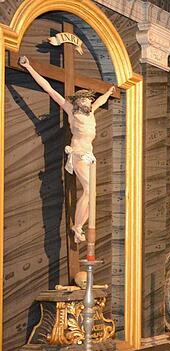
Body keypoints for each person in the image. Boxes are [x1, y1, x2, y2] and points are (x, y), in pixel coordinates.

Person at [19, 55, 115, 243]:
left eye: (89, 101)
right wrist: (29, 67)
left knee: (92, 195)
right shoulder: (71, 111)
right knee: (89, 190)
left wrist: (109, 91)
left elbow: (102, 101)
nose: (89, 102)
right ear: (78, 102)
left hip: (90, 156)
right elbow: (49, 89)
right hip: (78, 155)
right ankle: (77, 226)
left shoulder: (91, 112)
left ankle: (79, 227)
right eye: (85, 100)